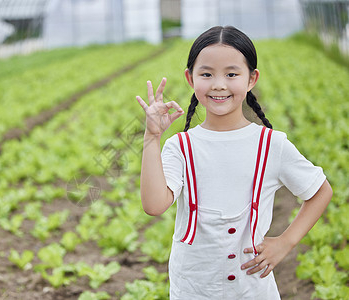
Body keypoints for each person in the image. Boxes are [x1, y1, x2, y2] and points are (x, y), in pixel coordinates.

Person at [136, 25, 333, 299]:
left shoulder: (271, 145)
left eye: (231, 74)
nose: (219, 84)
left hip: (252, 289)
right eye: (206, 74)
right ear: (190, 79)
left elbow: (320, 190)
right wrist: (151, 137)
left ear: (252, 79)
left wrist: (285, 242)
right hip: (193, 289)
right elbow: (154, 205)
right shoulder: (181, 146)